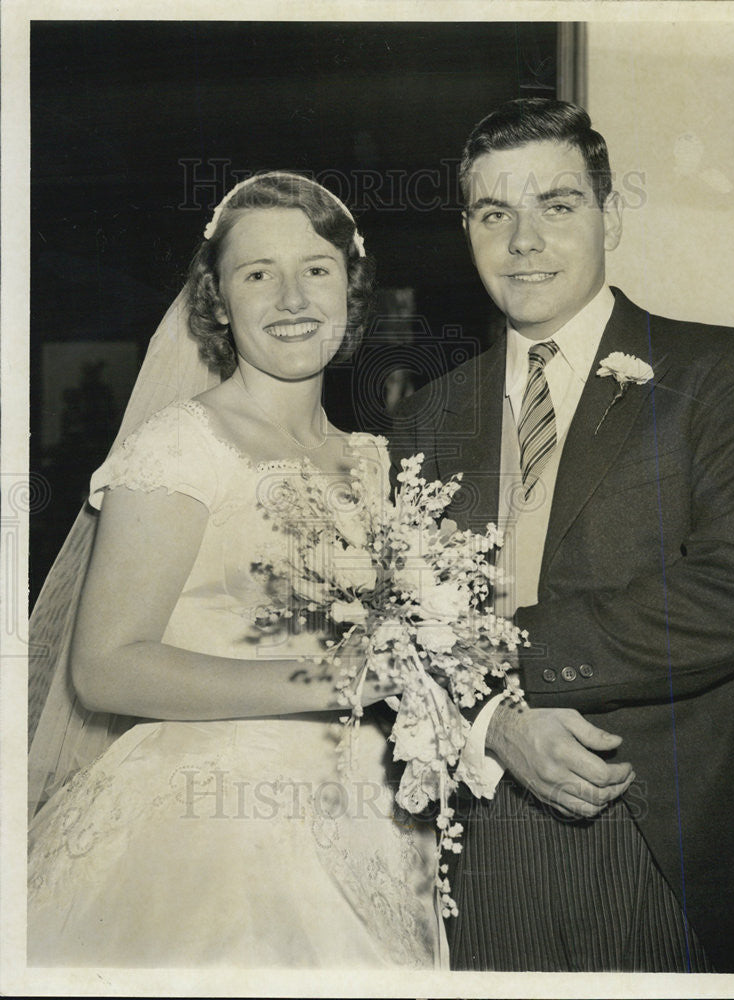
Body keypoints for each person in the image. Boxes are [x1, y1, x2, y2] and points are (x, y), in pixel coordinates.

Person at [390, 99, 734, 973]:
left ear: (606, 214)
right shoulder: (425, 418)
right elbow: (398, 629)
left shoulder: (720, 369)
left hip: (661, 824)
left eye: (556, 206)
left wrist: (506, 667)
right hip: (487, 830)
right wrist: (492, 724)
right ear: (467, 230)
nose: (522, 241)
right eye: (495, 214)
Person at [27, 171, 445, 968]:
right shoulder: (181, 444)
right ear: (217, 302)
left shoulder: (372, 461)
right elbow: (105, 670)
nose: (291, 297)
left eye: (315, 269)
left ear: (351, 291)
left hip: (371, 815)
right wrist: (337, 681)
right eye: (257, 274)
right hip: (214, 825)